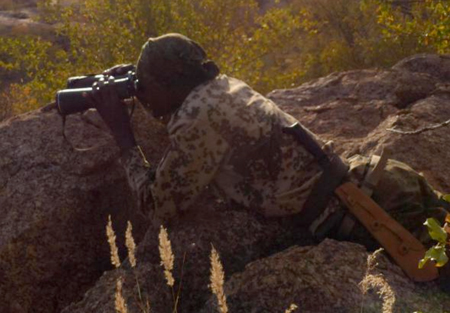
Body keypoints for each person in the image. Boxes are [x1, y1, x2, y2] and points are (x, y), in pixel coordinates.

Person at [87, 33, 448, 255]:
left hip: (363, 215)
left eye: (145, 83)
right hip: (368, 183)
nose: (142, 92)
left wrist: (123, 135)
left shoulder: (196, 119)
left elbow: (159, 207)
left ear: (169, 84)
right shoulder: (221, 86)